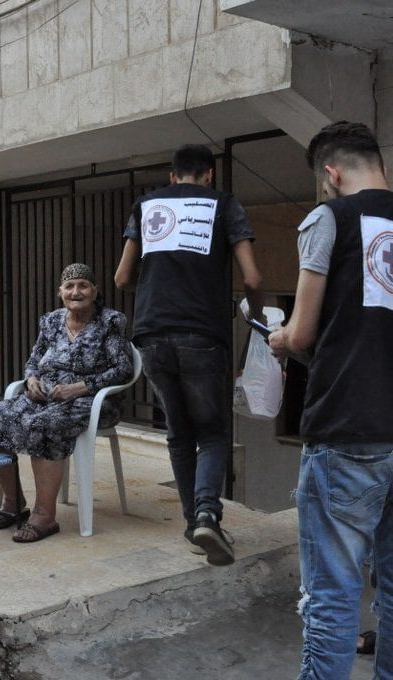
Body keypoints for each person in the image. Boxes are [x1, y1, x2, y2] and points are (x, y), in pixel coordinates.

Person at [268, 121, 393, 679]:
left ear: (331, 173)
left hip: (348, 425)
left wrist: (279, 339)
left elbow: (300, 334)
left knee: (333, 596)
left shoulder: (330, 218)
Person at [114, 144, 264, 566]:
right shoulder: (225, 204)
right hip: (202, 333)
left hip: (151, 333)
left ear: (172, 174)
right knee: (212, 432)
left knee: (179, 433)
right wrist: (257, 313)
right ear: (210, 174)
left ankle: (191, 525)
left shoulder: (146, 205)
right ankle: (206, 515)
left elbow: (121, 277)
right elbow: (253, 277)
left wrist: (158, 280)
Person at [0, 263, 134, 543]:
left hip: (92, 401)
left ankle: (44, 516)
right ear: (60, 292)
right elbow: (34, 359)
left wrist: (80, 387)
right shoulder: (51, 321)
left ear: (94, 291)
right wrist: (31, 379)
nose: (76, 292)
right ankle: (14, 503)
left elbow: (123, 369)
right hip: (46, 396)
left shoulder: (110, 321)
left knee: (45, 425)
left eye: (83, 286)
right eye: (69, 286)